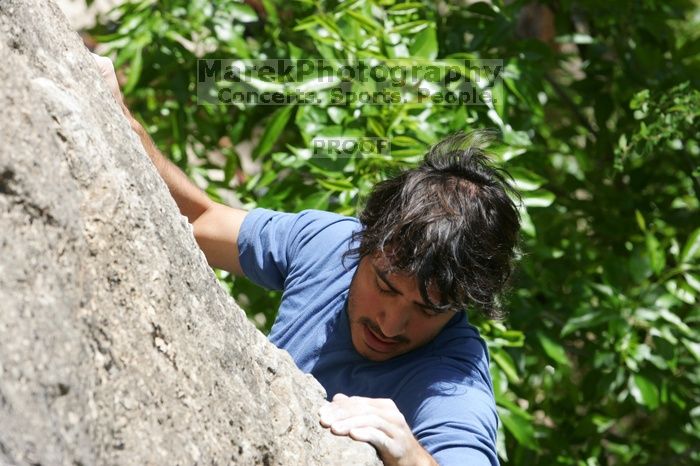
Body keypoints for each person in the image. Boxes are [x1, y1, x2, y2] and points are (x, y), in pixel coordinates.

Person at [93, 53, 521, 466]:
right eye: (385, 286)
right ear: (366, 240)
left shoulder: (452, 382)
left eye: (427, 309)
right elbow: (201, 219)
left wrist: (411, 457)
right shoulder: (331, 245)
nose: (390, 324)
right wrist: (120, 121)